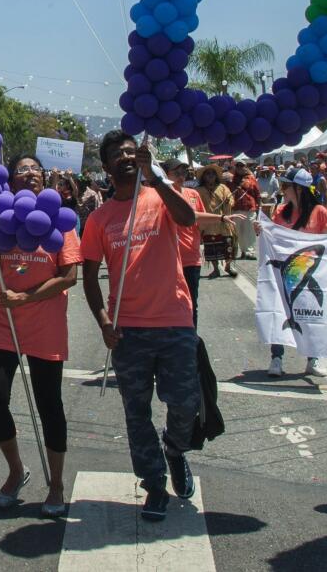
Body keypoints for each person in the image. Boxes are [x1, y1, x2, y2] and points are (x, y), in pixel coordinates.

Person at [82, 131, 198, 523]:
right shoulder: (98, 219)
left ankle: (176, 450)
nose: (127, 157)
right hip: (128, 328)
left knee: (184, 403)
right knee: (137, 413)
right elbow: (89, 276)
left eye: (132, 151)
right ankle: (153, 483)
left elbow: (188, 218)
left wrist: (158, 178)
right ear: (106, 165)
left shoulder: (158, 196)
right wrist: (102, 322)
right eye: (118, 154)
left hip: (175, 320)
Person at [0, 154, 81, 517]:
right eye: (21, 170)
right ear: (11, 182)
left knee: (49, 406)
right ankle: (16, 471)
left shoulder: (61, 221)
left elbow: (69, 277)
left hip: (45, 324)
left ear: (44, 178)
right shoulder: (2, 220)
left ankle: (56, 483)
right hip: (3, 322)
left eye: (34, 170)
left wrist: (27, 296)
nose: (29, 174)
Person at [258, 168, 327, 379]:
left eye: (286, 186)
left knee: (309, 313)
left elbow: (326, 240)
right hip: (283, 273)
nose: (283, 190)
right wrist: (262, 230)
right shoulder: (281, 210)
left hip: (309, 274)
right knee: (279, 311)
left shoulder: (319, 211)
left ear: (299, 189)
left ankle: (312, 358)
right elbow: (273, 237)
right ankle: (277, 357)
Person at [163, 159, 206, 325]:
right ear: (166, 175)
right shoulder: (159, 195)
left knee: (191, 303)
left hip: (191, 259)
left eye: (183, 172)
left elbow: (200, 220)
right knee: (170, 303)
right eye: (176, 173)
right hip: (169, 260)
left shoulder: (193, 194)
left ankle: (191, 338)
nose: (181, 176)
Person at [196, 164, 236, 279]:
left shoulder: (223, 187)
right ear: (203, 176)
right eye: (208, 174)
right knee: (211, 246)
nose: (210, 176)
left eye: (212, 174)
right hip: (209, 223)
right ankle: (215, 269)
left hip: (224, 221)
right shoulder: (199, 190)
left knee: (228, 244)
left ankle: (228, 266)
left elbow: (231, 200)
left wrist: (228, 201)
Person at [229, 161, 260, 261]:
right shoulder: (232, 179)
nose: (239, 168)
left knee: (249, 231)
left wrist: (259, 206)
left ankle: (250, 252)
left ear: (245, 167)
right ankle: (241, 251)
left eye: (241, 166)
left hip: (249, 208)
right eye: (237, 166)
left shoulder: (251, 178)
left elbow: (257, 193)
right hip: (236, 208)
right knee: (238, 232)